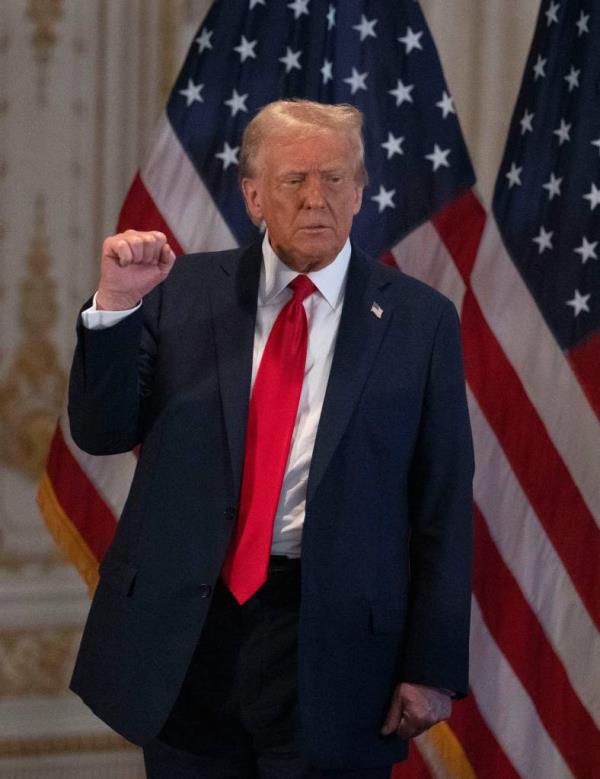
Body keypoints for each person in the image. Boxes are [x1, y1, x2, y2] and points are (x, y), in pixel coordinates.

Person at [68, 99, 474, 778]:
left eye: (337, 178)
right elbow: (101, 430)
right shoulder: (179, 291)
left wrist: (432, 666)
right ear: (253, 196)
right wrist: (114, 307)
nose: (318, 198)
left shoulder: (419, 322)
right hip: (190, 637)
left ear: (361, 189)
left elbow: (442, 503)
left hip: (337, 649)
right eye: (294, 181)